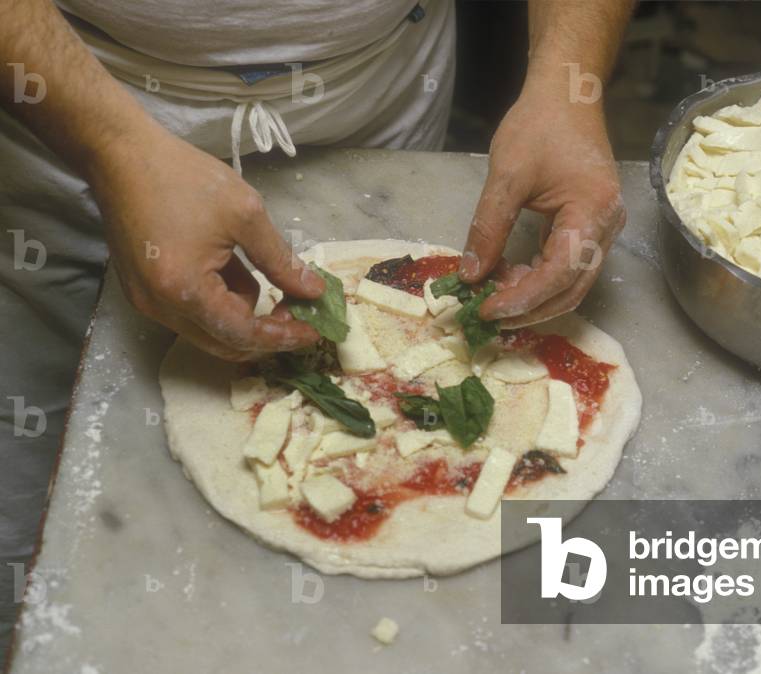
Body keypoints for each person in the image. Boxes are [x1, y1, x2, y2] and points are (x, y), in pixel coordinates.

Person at [0, 0, 632, 653]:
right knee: (37, 537)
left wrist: (567, 82)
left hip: (375, 97)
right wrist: (112, 146)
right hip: (71, 108)